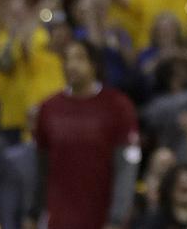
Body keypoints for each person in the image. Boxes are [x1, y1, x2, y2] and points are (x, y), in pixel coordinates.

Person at [28, 38, 141, 229]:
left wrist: (116, 219)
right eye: (67, 59)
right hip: (59, 218)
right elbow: (41, 169)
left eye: (79, 58)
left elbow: (126, 166)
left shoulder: (118, 106)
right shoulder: (49, 108)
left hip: (102, 217)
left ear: (94, 64)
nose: (71, 65)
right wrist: (33, 212)